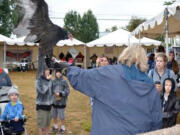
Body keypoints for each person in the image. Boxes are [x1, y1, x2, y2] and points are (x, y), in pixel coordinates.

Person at [46, 45, 162, 135]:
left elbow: (81, 77)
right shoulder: (151, 86)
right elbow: (156, 121)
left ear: (124, 55)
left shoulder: (108, 73)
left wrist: (64, 67)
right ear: (144, 60)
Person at [51, 69, 70, 134]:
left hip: (62, 101)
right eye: (57, 72)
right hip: (54, 101)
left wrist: (61, 93)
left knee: (61, 115)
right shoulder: (53, 81)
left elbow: (68, 91)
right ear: (55, 73)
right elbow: (50, 90)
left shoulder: (64, 81)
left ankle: (63, 128)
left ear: (61, 73)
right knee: (54, 114)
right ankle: (55, 126)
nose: (58, 74)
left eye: (59, 72)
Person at [36, 68, 53, 135]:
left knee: (47, 123)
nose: (48, 71)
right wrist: (47, 80)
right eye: (46, 70)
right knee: (41, 123)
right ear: (42, 71)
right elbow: (42, 91)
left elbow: (51, 91)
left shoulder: (50, 80)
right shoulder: (39, 80)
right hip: (41, 104)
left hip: (49, 105)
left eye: (48, 70)